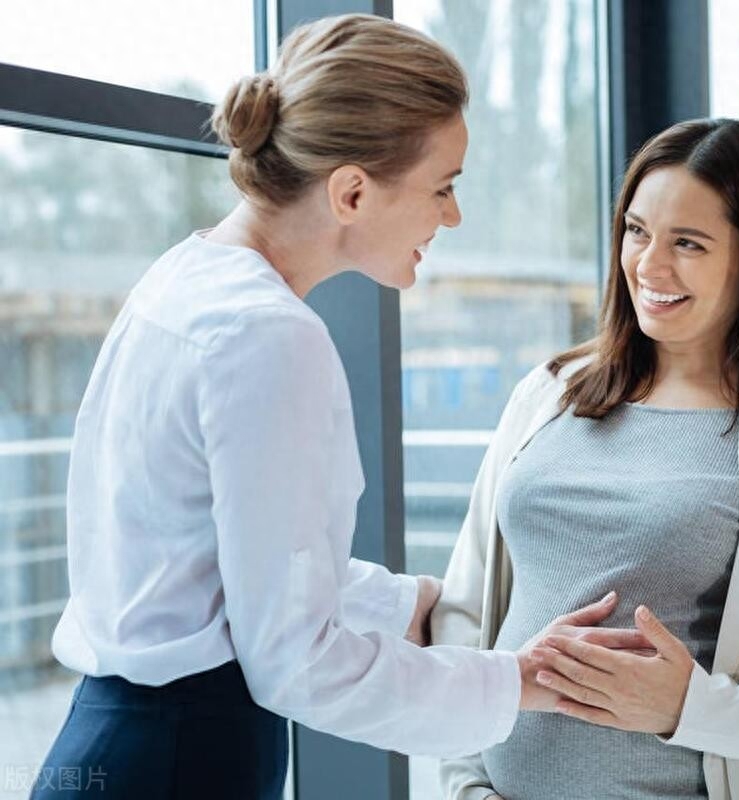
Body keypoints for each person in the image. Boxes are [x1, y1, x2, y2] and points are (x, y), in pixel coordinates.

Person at [32, 14, 644, 800]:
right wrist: (515, 683)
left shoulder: (185, 280)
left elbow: (221, 566)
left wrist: (407, 603)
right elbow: (296, 661)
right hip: (182, 763)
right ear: (352, 191)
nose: (451, 217)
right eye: (443, 187)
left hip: (122, 743)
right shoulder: (271, 337)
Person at [433, 118, 739, 800]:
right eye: (637, 231)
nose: (650, 265)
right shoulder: (547, 393)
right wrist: (466, 783)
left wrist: (689, 708)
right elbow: (465, 612)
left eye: (689, 243)